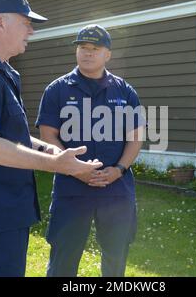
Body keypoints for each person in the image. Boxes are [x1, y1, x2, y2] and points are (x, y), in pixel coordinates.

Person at [0, 0, 102, 277]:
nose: (31, 30)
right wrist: (55, 165)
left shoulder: (0, 71)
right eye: (26, 22)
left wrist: (49, 149)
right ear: (2, 21)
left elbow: (7, 134)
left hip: (0, 218)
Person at [37, 24, 145, 277]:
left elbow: (136, 137)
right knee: (64, 257)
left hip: (115, 188)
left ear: (107, 54)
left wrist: (119, 169)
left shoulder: (125, 91)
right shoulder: (57, 89)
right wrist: (75, 170)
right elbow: (48, 135)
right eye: (82, 47)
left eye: (94, 48)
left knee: (115, 259)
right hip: (71, 187)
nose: (87, 53)